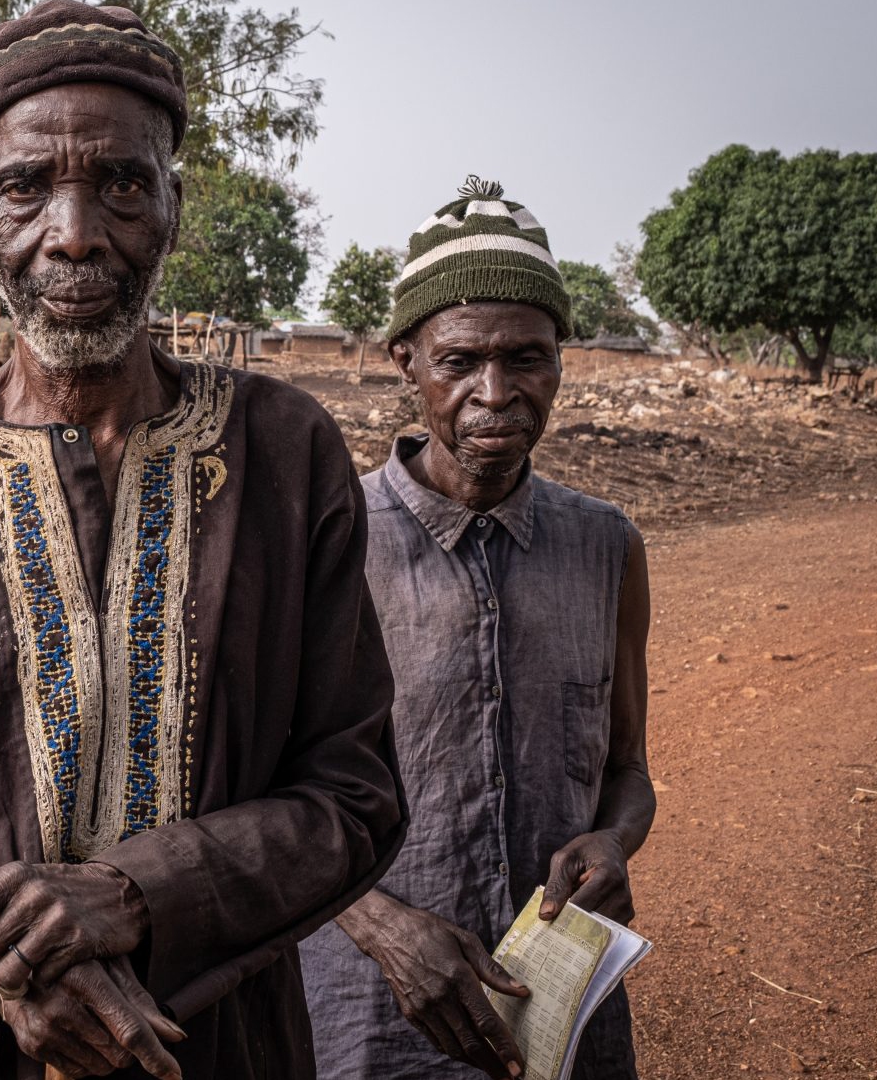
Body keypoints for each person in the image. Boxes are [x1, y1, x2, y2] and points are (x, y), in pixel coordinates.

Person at [0, 4, 407, 1077]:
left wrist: (135, 895)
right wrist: (1, 969)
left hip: (211, 1042)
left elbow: (352, 798)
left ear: (172, 204)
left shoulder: (287, 453)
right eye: (27, 187)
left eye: (121, 183)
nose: (73, 232)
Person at [298, 177, 656, 1080]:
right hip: (369, 1017)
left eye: (527, 358)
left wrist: (613, 840)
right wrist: (383, 927)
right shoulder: (326, 542)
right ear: (406, 362)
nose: (495, 393)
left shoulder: (607, 546)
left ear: (561, 360)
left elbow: (627, 770)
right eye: (458, 361)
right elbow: (256, 797)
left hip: (559, 1005)